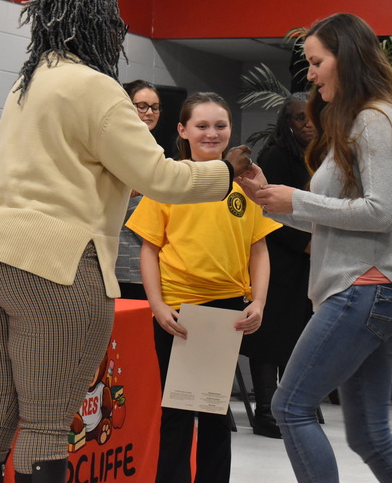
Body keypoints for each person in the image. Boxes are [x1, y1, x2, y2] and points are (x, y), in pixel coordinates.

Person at [0, 0, 253, 483]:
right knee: (46, 424)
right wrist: (227, 170)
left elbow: (50, 169)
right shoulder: (97, 87)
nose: (118, 40)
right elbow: (160, 177)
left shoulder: (25, 86)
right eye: (116, 28)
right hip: (51, 264)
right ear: (94, 27)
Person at [237, 13, 392, 482]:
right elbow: (333, 214)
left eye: (316, 61)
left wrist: (297, 198)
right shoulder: (364, 120)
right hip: (373, 288)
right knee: (368, 435)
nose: (310, 74)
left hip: (366, 286)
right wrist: (271, 198)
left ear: (345, 58)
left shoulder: (375, 118)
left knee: (290, 407)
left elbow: (381, 212)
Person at [126, 92, 281, 483]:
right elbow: (150, 249)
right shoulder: (171, 180)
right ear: (182, 130)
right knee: (176, 414)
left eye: (220, 125)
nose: (212, 133)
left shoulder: (245, 186)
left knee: (215, 412)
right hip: (177, 311)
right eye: (202, 125)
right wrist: (157, 305)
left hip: (225, 311)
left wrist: (258, 300)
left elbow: (258, 249)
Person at [240, 92, 314, 439]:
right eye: (300, 117)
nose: (308, 123)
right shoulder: (275, 155)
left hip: (304, 260)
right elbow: (268, 210)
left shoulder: (316, 155)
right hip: (277, 254)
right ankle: (267, 410)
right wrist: (306, 243)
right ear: (287, 122)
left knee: (297, 332)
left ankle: (292, 405)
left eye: (312, 116)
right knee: (270, 335)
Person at [115, 80, 162, 300]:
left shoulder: (156, 152)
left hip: (151, 270)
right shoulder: (113, 147)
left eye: (154, 107)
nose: (149, 112)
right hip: (119, 269)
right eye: (141, 106)